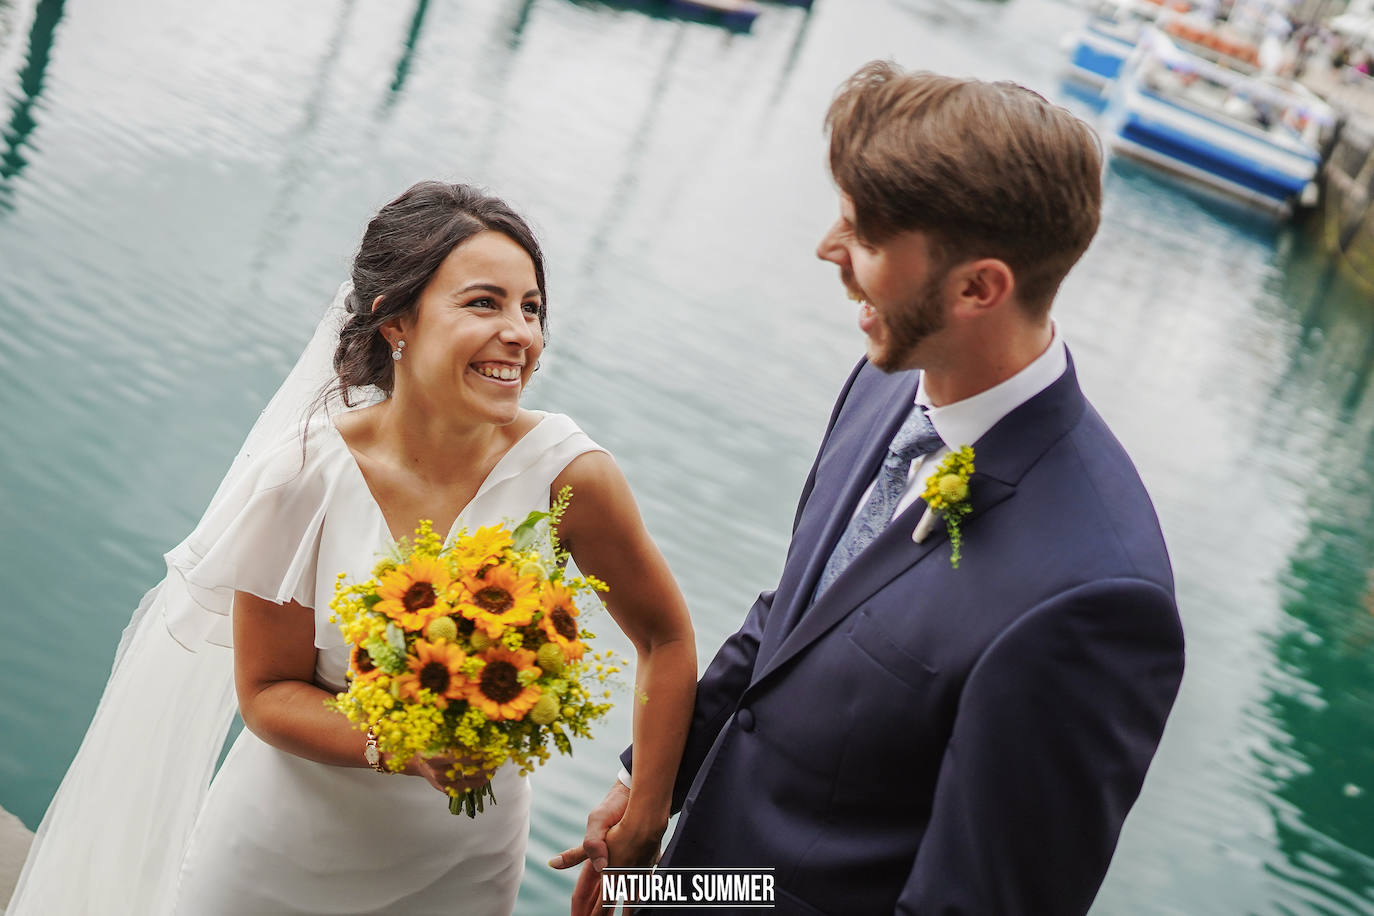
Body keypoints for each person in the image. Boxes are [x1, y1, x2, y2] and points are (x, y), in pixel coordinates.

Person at [555, 63, 1186, 914]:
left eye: (866, 235)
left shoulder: (1095, 598)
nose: (828, 249)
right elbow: (795, 619)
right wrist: (652, 789)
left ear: (978, 288)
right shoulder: (886, 384)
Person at [9, 182, 696, 915]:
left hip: (460, 865)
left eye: (531, 308)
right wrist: (402, 745)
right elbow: (267, 693)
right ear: (396, 322)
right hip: (278, 853)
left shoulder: (571, 475)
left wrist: (646, 813)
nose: (521, 333)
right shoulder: (304, 475)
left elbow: (665, 636)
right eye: (484, 303)